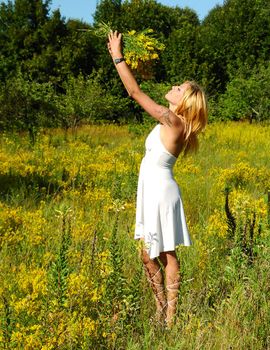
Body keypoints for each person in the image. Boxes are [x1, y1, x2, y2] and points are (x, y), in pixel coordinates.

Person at [107, 31, 208, 328]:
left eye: (179, 87)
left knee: (166, 254)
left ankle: (170, 317)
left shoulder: (174, 121)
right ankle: (161, 309)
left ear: (185, 100)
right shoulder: (171, 121)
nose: (174, 87)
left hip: (162, 192)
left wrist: (118, 56)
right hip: (151, 190)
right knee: (146, 255)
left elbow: (135, 93)